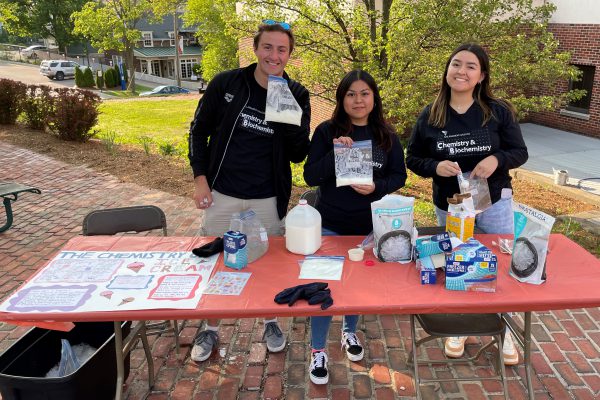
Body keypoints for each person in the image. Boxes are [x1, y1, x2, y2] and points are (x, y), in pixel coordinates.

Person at [188, 21, 311, 362]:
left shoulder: (296, 93)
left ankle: (271, 320)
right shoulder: (227, 83)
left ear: (289, 55)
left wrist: (286, 113)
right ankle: (210, 327)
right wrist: (200, 178)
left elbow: (299, 152)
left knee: (268, 264)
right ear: (256, 49)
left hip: (266, 197)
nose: (274, 55)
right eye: (268, 47)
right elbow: (199, 131)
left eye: (282, 49)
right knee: (217, 263)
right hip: (223, 193)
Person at [406, 43, 528, 366]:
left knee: (499, 264)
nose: (461, 71)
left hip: (494, 202)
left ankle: (505, 330)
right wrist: (435, 167)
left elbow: (520, 152)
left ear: (481, 75)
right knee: (460, 263)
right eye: (456, 64)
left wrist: (496, 159)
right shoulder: (431, 114)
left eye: (470, 66)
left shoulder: (497, 112)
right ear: (446, 71)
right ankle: (460, 328)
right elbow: (413, 158)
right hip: (451, 206)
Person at [303, 70, 407, 384]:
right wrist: (337, 154)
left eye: (364, 93)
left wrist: (377, 187)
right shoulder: (327, 131)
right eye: (351, 94)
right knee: (324, 286)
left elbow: (399, 176)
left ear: (374, 98)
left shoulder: (386, 135)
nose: (358, 100)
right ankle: (318, 349)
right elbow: (310, 176)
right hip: (330, 224)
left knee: (356, 286)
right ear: (342, 98)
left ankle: (349, 332)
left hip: (368, 227)